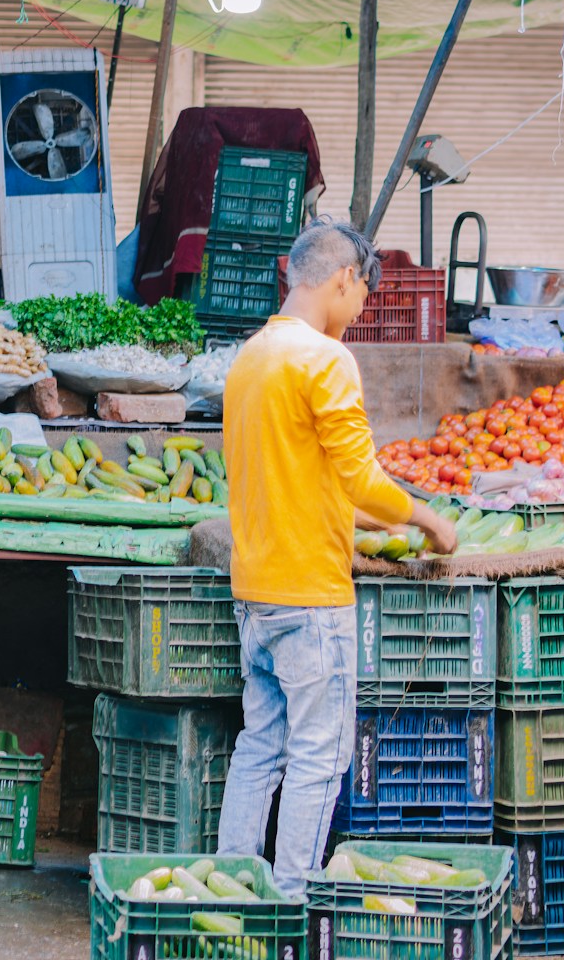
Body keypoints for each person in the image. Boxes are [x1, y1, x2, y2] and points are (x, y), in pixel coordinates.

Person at [215, 221, 457, 895]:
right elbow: (361, 479)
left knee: (259, 747)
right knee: (319, 757)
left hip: (255, 590)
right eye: (361, 298)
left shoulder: (250, 358)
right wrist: (427, 516)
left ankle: (233, 886)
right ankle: (292, 899)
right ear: (344, 278)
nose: (360, 313)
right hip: (310, 595)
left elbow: (291, 477)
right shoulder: (323, 359)